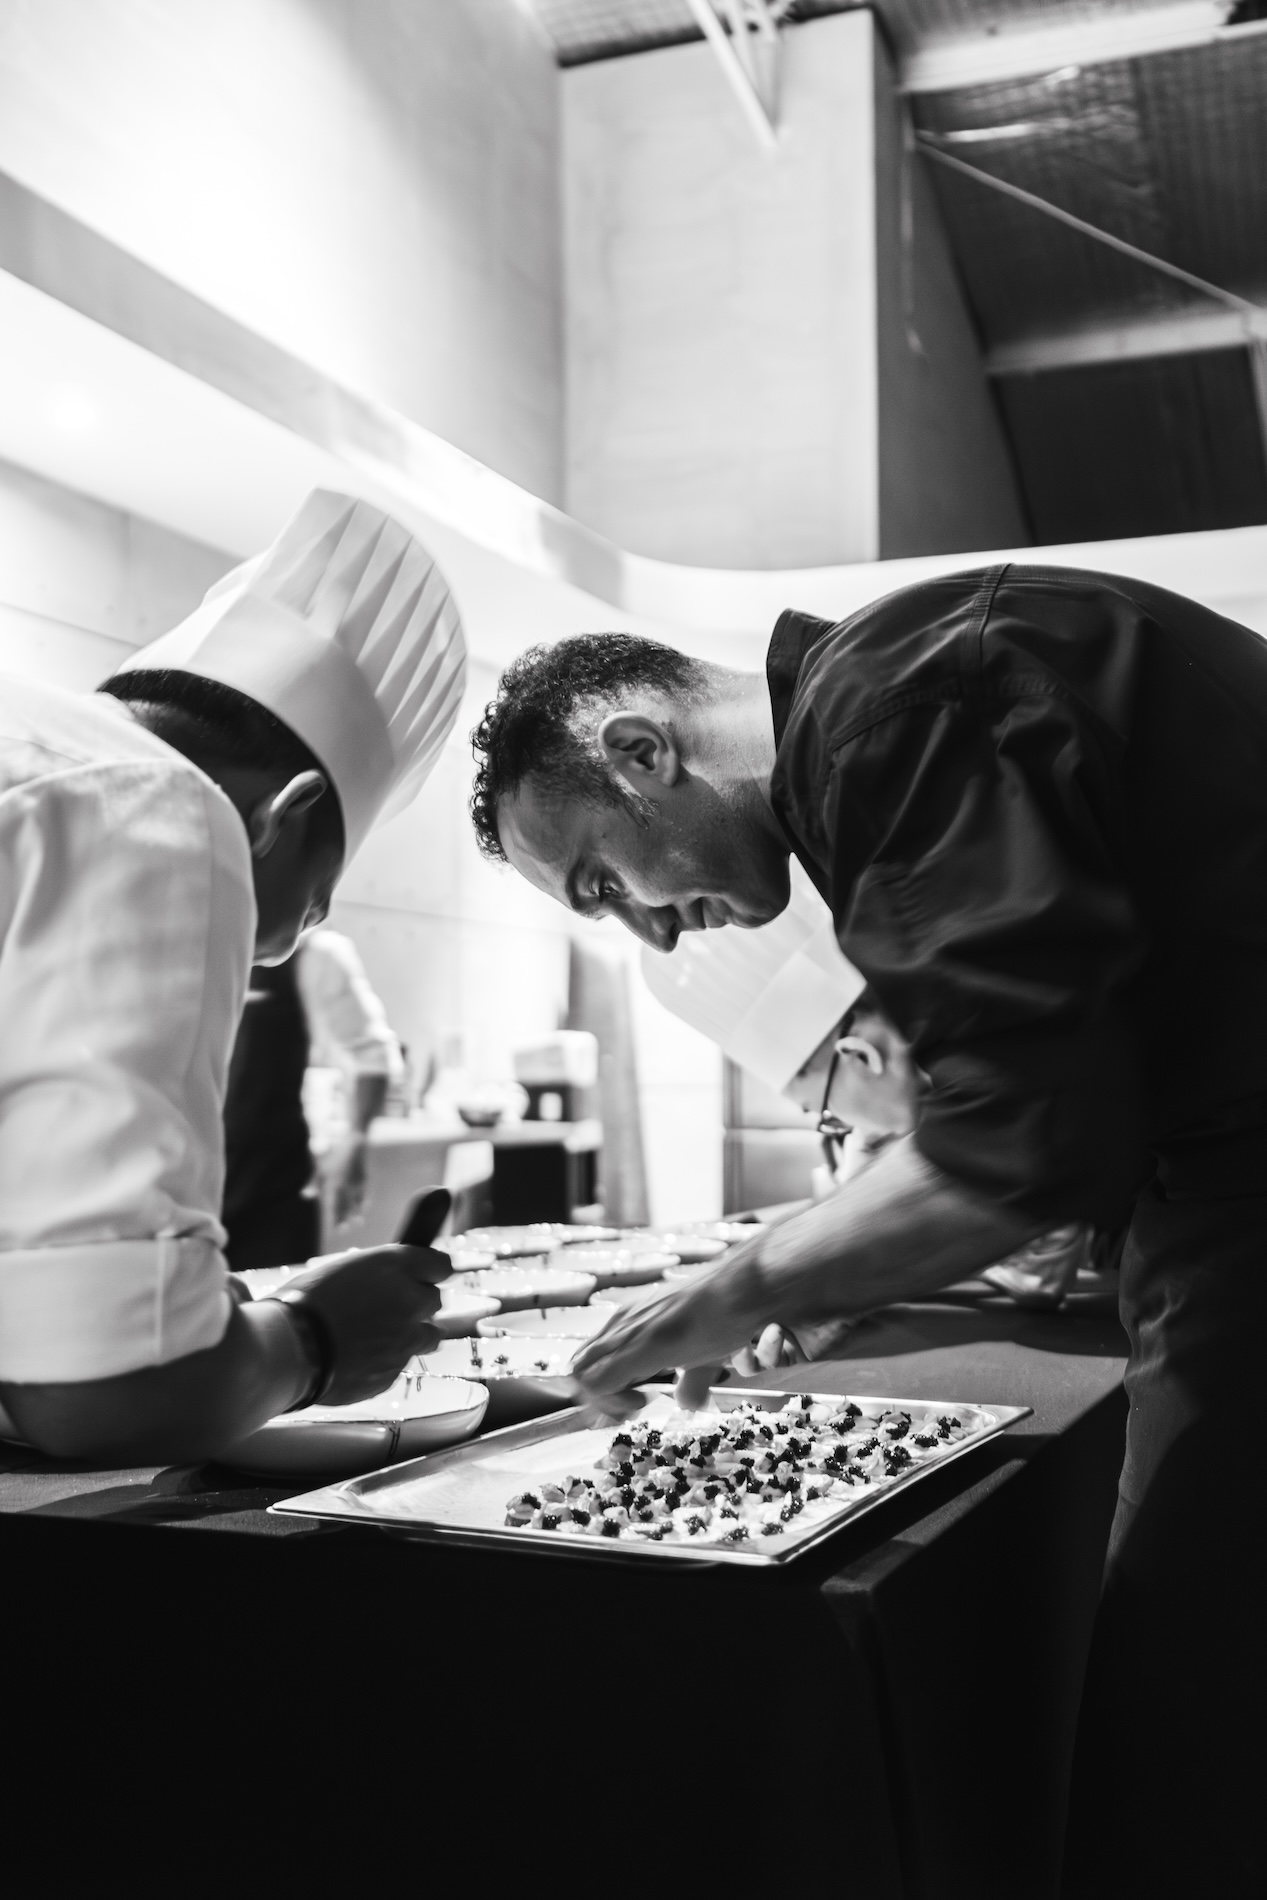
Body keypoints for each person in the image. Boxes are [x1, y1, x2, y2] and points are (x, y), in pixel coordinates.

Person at [470, 568, 1267, 1890]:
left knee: (1189, 1739)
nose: (650, 931)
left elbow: (1023, 1141)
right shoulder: (880, 714)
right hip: (1214, 1184)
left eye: (603, 879)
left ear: (641, 750)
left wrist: (734, 1287)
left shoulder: (897, 711)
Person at [0, 489, 466, 1467]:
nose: (278, 951)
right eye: (313, 906)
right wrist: (317, 1339)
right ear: (282, 815)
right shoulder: (150, 800)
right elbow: (104, 1398)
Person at [223, 928, 403, 1271]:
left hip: (274, 1186)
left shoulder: (317, 956)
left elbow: (373, 1057)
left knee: (278, 1297)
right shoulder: (194, 948)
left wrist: (355, 1140)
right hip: (192, 1187)